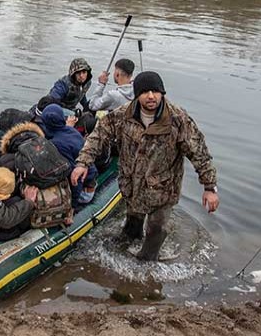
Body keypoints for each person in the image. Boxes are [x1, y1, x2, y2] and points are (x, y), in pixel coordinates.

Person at [70, 71, 219, 261]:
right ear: (137, 94)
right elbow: (98, 136)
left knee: (156, 230)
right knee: (131, 226)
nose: (150, 96)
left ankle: (146, 268)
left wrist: (209, 187)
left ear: (162, 93)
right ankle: (129, 240)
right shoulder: (122, 115)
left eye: (155, 91)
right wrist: (83, 163)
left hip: (163, 188)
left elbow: (199, 153)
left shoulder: (178, 119)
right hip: (132, 185)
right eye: (145, 92)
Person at [41, 103, 97, 206]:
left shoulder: (58, 144)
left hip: (83, 192)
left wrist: (72, 206)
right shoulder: (71, 130)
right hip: (90, 179)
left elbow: (76, 177)